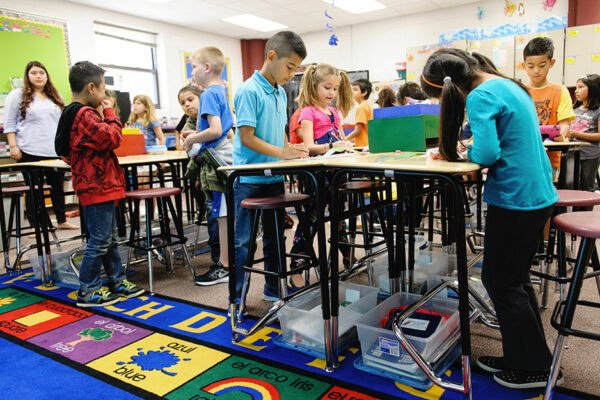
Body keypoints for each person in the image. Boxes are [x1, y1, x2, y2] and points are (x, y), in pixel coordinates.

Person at [421, 48, 560, 389]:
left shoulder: (481, 95)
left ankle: (533, 369)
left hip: (516, 197)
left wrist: (466, 151)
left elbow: (486, 153)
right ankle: (526, 357)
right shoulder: (506, 84)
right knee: (514, 280)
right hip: (535, 194)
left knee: (502, 282)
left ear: (449, 88)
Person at [55, 61, 144, 307]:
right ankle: (88, 288)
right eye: (104, 88)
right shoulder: (84, 114)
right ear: (92, 88)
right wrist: (111, 114)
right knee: (100, 239)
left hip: (99, 184)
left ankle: (117, 280)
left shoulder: (72, 112)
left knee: (109, 237)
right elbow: (113, 138)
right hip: (97, 186)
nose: (105, 94)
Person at [233, 30, 309, 302]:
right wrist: (282, 152)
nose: (292, 74)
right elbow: (247, 137)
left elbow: (280, 131)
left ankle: (273, 290)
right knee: (243, 242)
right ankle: (237, 296)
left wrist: (293, 151)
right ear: (271, 56)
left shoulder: (279, 92)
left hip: (274, 178)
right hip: (249, 180)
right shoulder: (248, 91)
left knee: (276, 240)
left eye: (295, 69)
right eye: (289, 67)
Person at [288, 63, 354, 287]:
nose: (331, 93)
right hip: (317, 174)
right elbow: (308, 146)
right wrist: (330, 147)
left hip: (337, 173)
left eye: (335, 89)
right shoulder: (308, 112)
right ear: (313, 86)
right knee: (310, 220)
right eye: (327, 88)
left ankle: (347, 255)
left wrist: (348, 146)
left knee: (339, 218)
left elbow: (341, 139)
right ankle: (296, 266)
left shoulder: (335, 112)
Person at [3, 61, 78, 230]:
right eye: (34, 73)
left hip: (53, 150)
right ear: (27, 76)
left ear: (47, 76)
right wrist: (13, 146)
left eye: (41, 73)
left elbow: (63, 122)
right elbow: (9, 123)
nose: (38, 76)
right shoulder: (18, 95)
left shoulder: (55, 95)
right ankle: (37, 225)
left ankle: (61, 220)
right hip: (29, 149)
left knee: (57, 187)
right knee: (34, 189)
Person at [183, 46, 234, 286]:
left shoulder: (210, 94)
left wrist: (192, 139)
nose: (191, 71)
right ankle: (225, 263)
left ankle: (225, 265)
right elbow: (224, 129)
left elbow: (214, 130)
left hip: (218, 160)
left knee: (222, 215)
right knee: (223, 214)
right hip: (223, 154)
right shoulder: (220, 91)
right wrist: (196, 134)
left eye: (193, 66)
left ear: (207, 68)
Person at [523, 37, 575, 180]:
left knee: (545, 198)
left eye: (542, 65)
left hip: (549, 157)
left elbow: (565, 124)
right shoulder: (519, 91)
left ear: (551, 63)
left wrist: (561, 135)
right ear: (523, 65)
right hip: (523, 155)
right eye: (531, 66)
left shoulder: (560, 91)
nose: (536, 70)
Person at [567, 74, 600, 197]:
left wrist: (577, 134)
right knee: (570, 185)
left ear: (592, 89)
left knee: (586, 187)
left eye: (581, 87)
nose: (576, 90)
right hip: (571, 153)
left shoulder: (597, 110)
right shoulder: (574, 109)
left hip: (589, 155)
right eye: (576, 87)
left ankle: (584, 214)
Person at [345, 78, 373, 147]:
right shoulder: (367, 105)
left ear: (364, 92)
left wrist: (344, 140)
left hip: (363, 146)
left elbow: (358, 131)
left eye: (355, 90)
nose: (352, 92)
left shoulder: (361, 107)